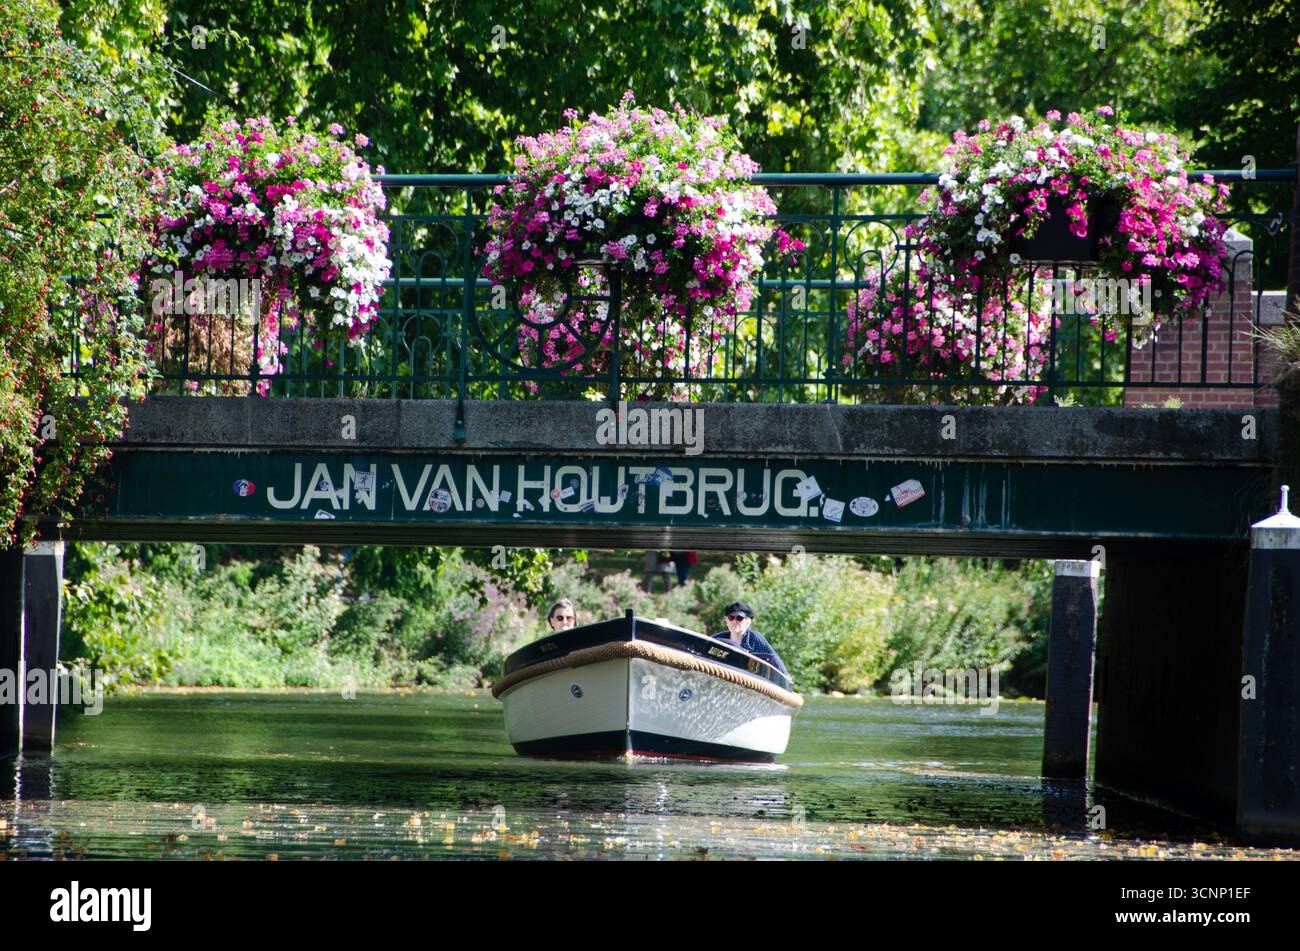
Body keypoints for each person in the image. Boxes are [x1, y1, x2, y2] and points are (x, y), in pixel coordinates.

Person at [712, 601, 789, 678]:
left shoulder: (755, 639)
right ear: (726, 621)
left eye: (739, 618)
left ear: (748, 622)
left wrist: (785, 676)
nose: (734, 621)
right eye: (731, 618)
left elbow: (773, 658)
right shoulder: (718, 639)